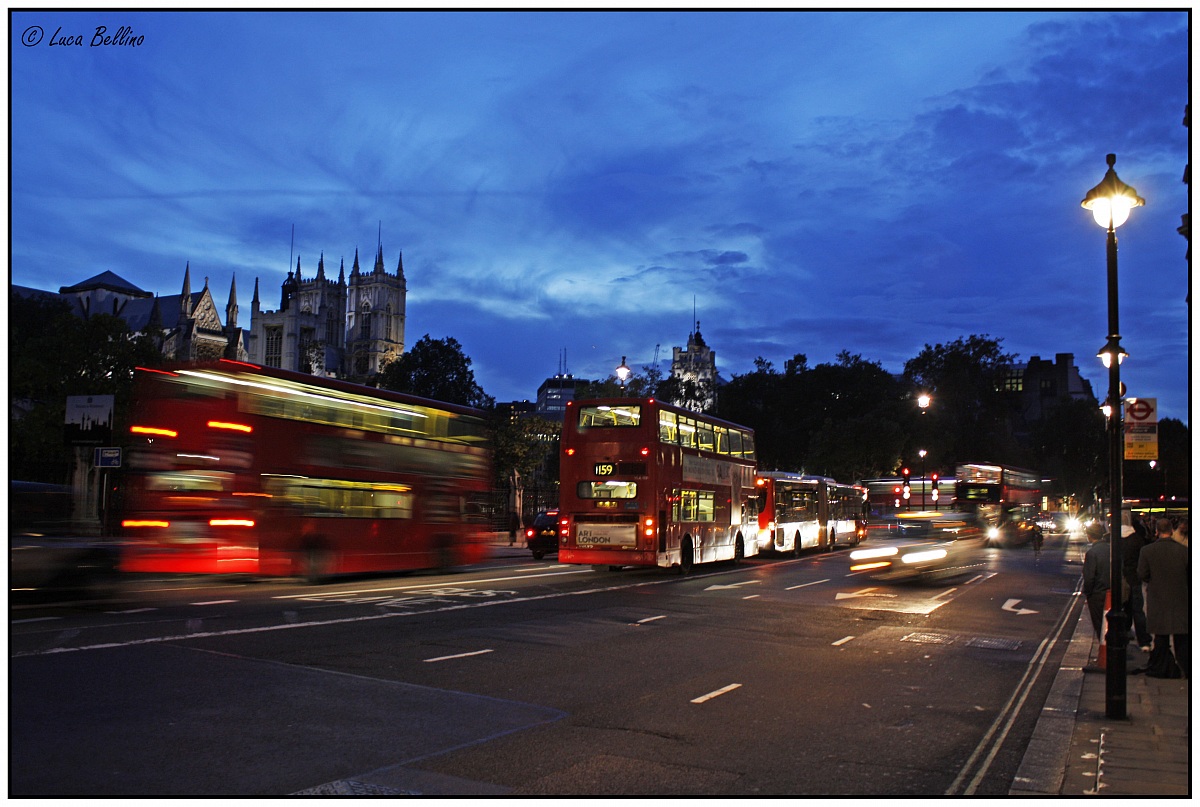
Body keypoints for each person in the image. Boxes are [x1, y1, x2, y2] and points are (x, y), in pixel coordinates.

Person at [1137, 517, 1189, 678]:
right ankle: (1187, 669)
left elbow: (1142, 574)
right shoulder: (1184, 551)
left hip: (1157, 598)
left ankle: (1162, 668)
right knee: (1182, 637)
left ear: (1157, 531)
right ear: (1172, 531)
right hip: (1181, 598)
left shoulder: (1147, 551)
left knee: (1161, 636)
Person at [1121, 509, 1153, 652]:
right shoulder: (1137, 540)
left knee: (1122, 608)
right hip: (1135, 578)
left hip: (1121, 579)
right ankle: (1144, 641)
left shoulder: (1115, 540)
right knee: (1138, 611)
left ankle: (1124, 633)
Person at [1081, 523, 1110, 642]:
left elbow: (1089, 577)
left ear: (1089, 535)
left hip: (1097, 594)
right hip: (1112, 592)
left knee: (1100, 625)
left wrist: (1087, 593)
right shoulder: (1111, 549)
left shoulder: (1092, 553)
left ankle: (1104, 652)